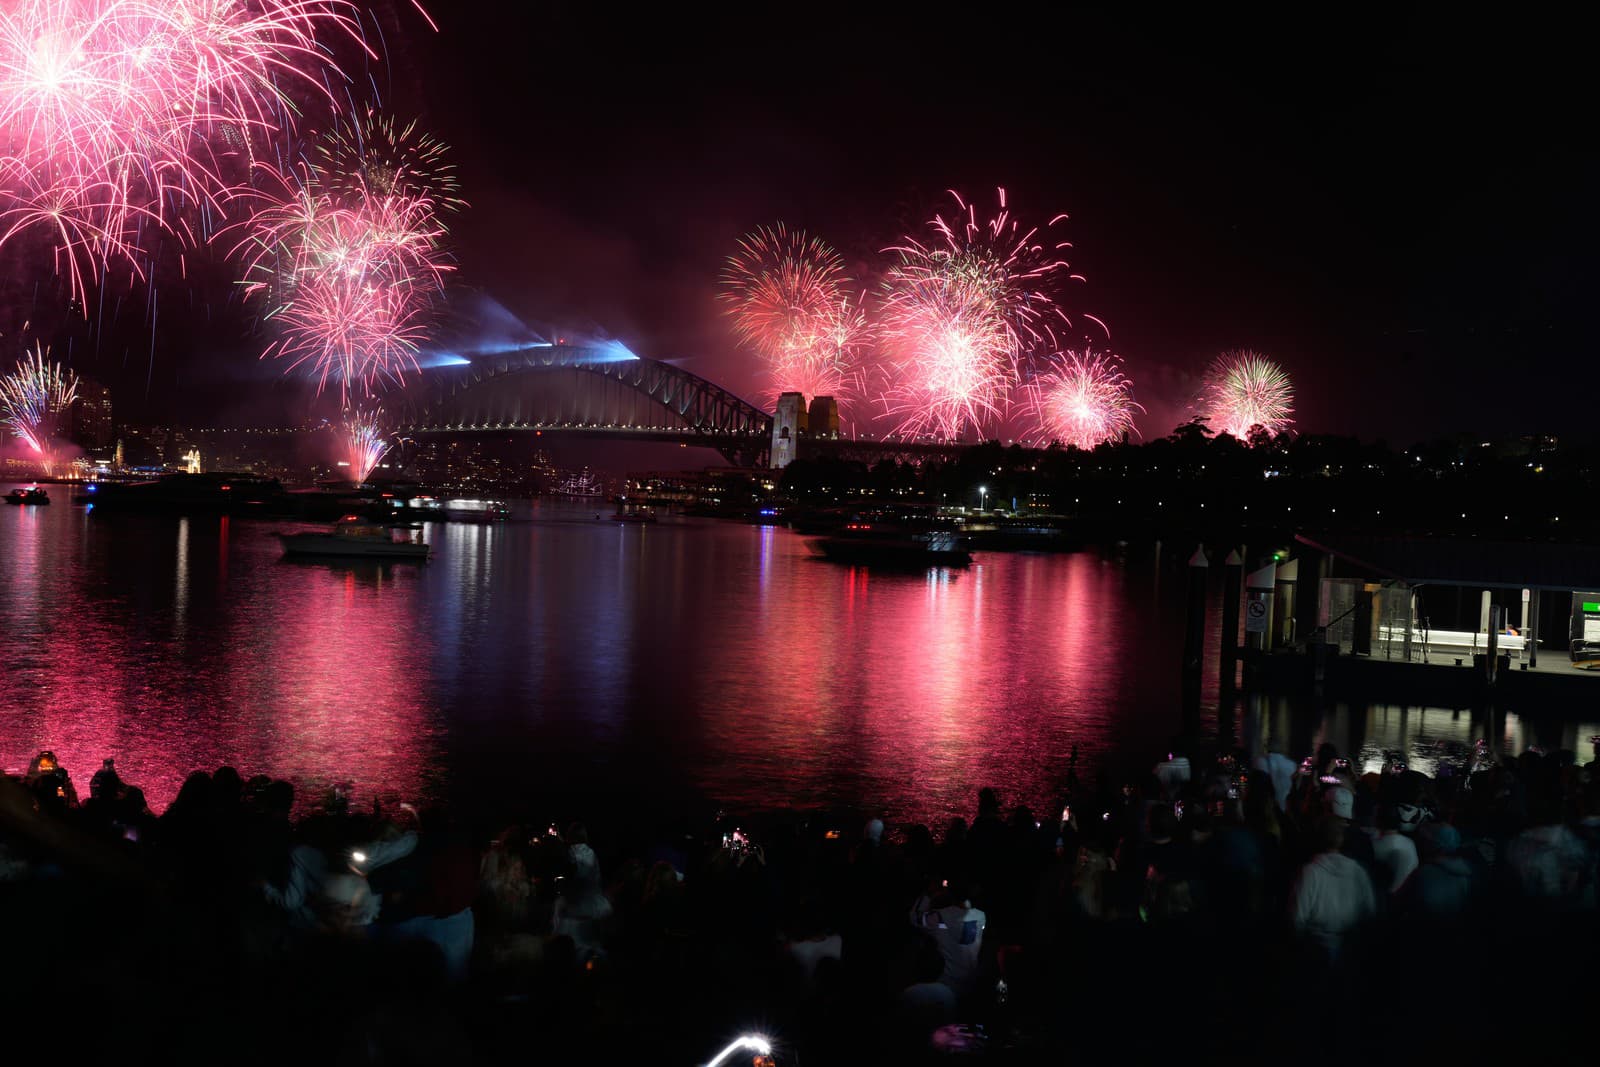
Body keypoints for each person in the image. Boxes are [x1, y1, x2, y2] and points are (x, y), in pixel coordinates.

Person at [1289, 815, 1377, 960]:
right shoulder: (1358, 871)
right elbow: (1370, 912)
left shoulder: (1310, 872)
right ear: (1341, 839)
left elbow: (1297, 917)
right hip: (1350, 950)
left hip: (1316, 951)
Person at [1253, 737, 1297, 811]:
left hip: (1265, 808)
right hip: (1285, 808)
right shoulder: (1292, 765)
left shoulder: (1259, 762)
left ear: (1266, 747)